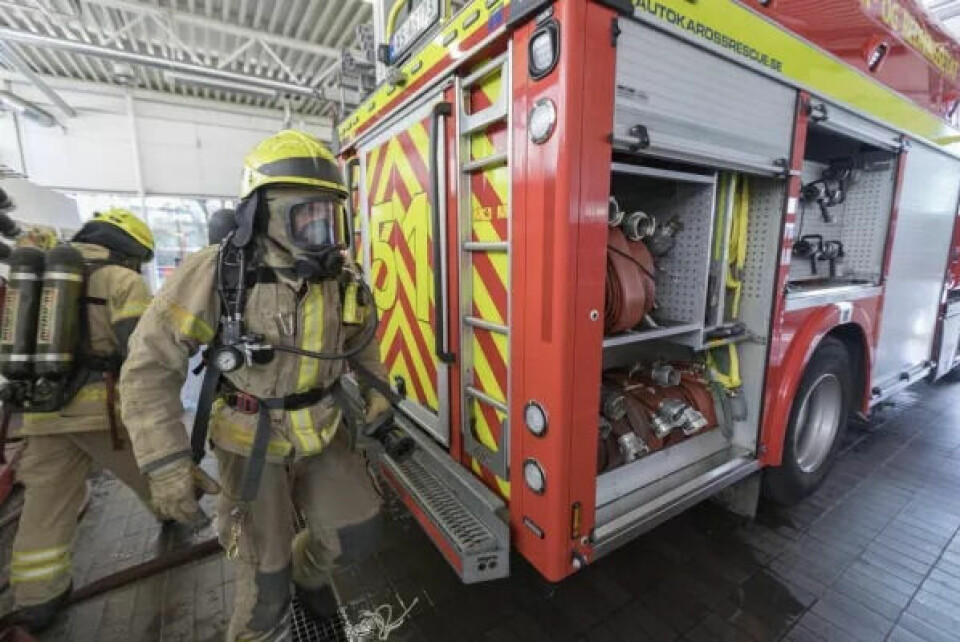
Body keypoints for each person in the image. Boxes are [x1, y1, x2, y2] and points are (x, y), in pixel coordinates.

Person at [120, 130, 391, 641]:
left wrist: (376, 388)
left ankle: (310, 576)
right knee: (263, 578)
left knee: (356, 532)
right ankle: (264, 622)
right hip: (249, 439)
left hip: (324, 428)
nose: (320, 230)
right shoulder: (216, 272)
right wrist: (166, 462)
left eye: (328, 216)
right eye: (304, 215)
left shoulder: (341, 276)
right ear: (262, 213)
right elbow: (148, 368)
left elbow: (362, 339)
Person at [10, 208, 155, 631]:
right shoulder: (122, 280)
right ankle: (182, 517)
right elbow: (140, 352)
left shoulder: (40, 279)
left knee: (46, 502)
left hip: (41, 410)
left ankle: (37, 599)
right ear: (130, 247)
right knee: (154, 470)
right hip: (100, 412)